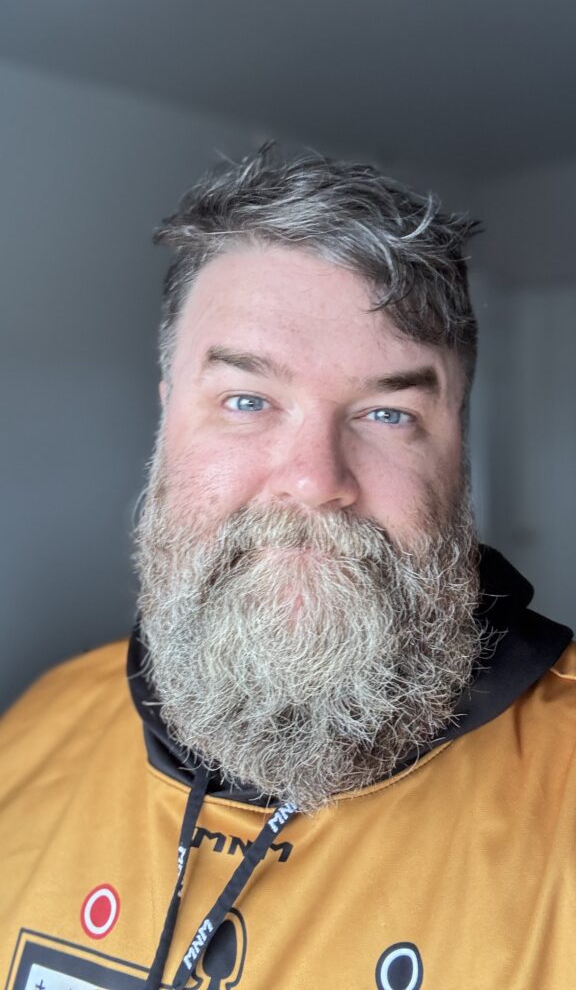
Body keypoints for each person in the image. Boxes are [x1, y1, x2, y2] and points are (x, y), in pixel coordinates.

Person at [0, 148, 573, 990]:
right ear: (167, 418)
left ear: (458, 449)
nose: (314, 479)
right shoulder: (37, 733)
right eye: (247, 400)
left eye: (387, 413)